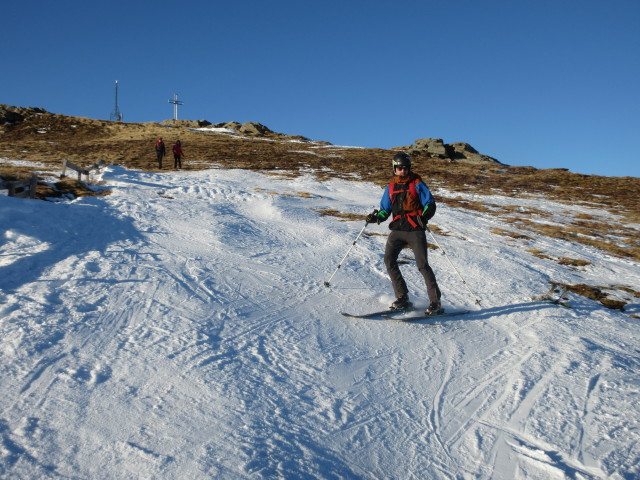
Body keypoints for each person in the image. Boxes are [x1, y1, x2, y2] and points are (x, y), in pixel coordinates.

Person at [366, 152, 443, 315]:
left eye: (405, 168)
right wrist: (375, 217)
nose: (403, 171)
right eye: (399, 168)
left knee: (422, 265)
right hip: (398, 230)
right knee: (389, 260)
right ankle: (403, 298)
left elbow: (430, 204)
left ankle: (435, 302)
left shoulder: (417, 184)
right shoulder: (391, 187)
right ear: (394, 169)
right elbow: (385, 210)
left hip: (415, 229)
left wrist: (425, 217)